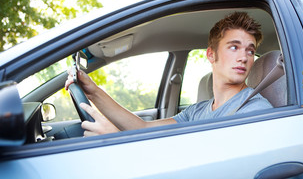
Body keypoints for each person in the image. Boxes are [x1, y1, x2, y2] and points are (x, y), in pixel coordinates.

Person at [65, 11, 272, 136]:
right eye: (234, 47)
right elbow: (143, 128)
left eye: (250, 50)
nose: (244, 57)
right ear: (211, 54)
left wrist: (119, 140)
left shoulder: (255, 110)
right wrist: (93, 92)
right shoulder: (197, 111)